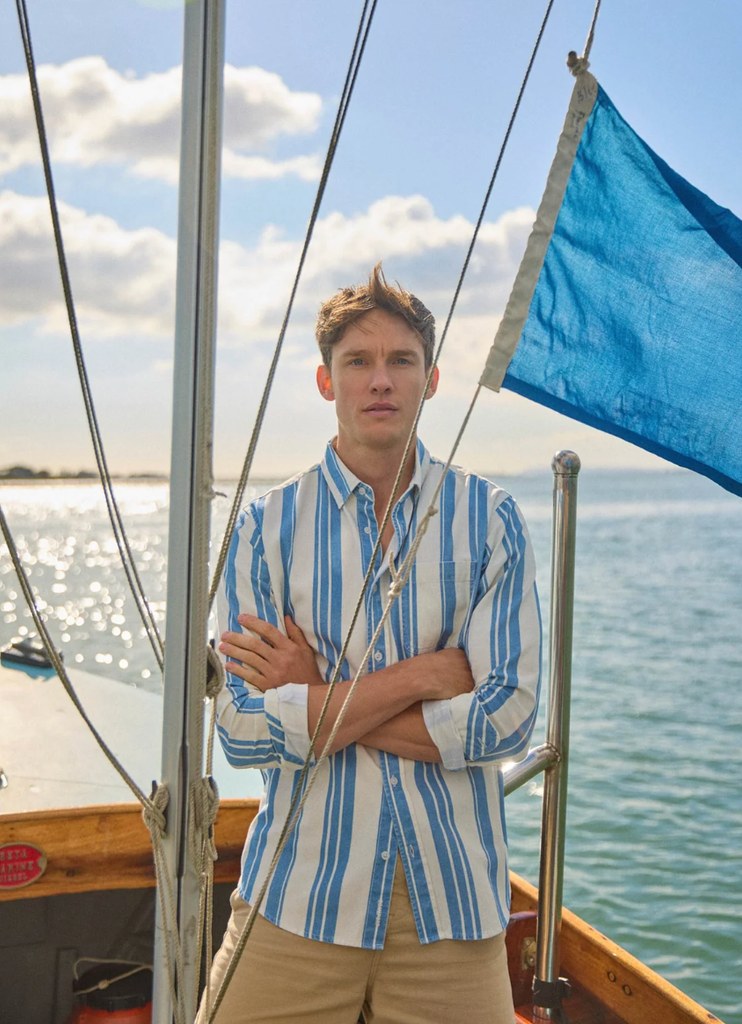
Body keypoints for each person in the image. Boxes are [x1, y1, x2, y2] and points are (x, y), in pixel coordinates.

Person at [201, 265, 541, 1024]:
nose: (379, 380)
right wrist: (425, 676)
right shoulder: (266, 528)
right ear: (327, 382)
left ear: (431, 379)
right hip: (297, 897)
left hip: (451, 906)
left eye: (400, 361)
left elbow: (509, 719)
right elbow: (242, 730)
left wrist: (319, 692)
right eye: (358, 362)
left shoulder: (489, 519)